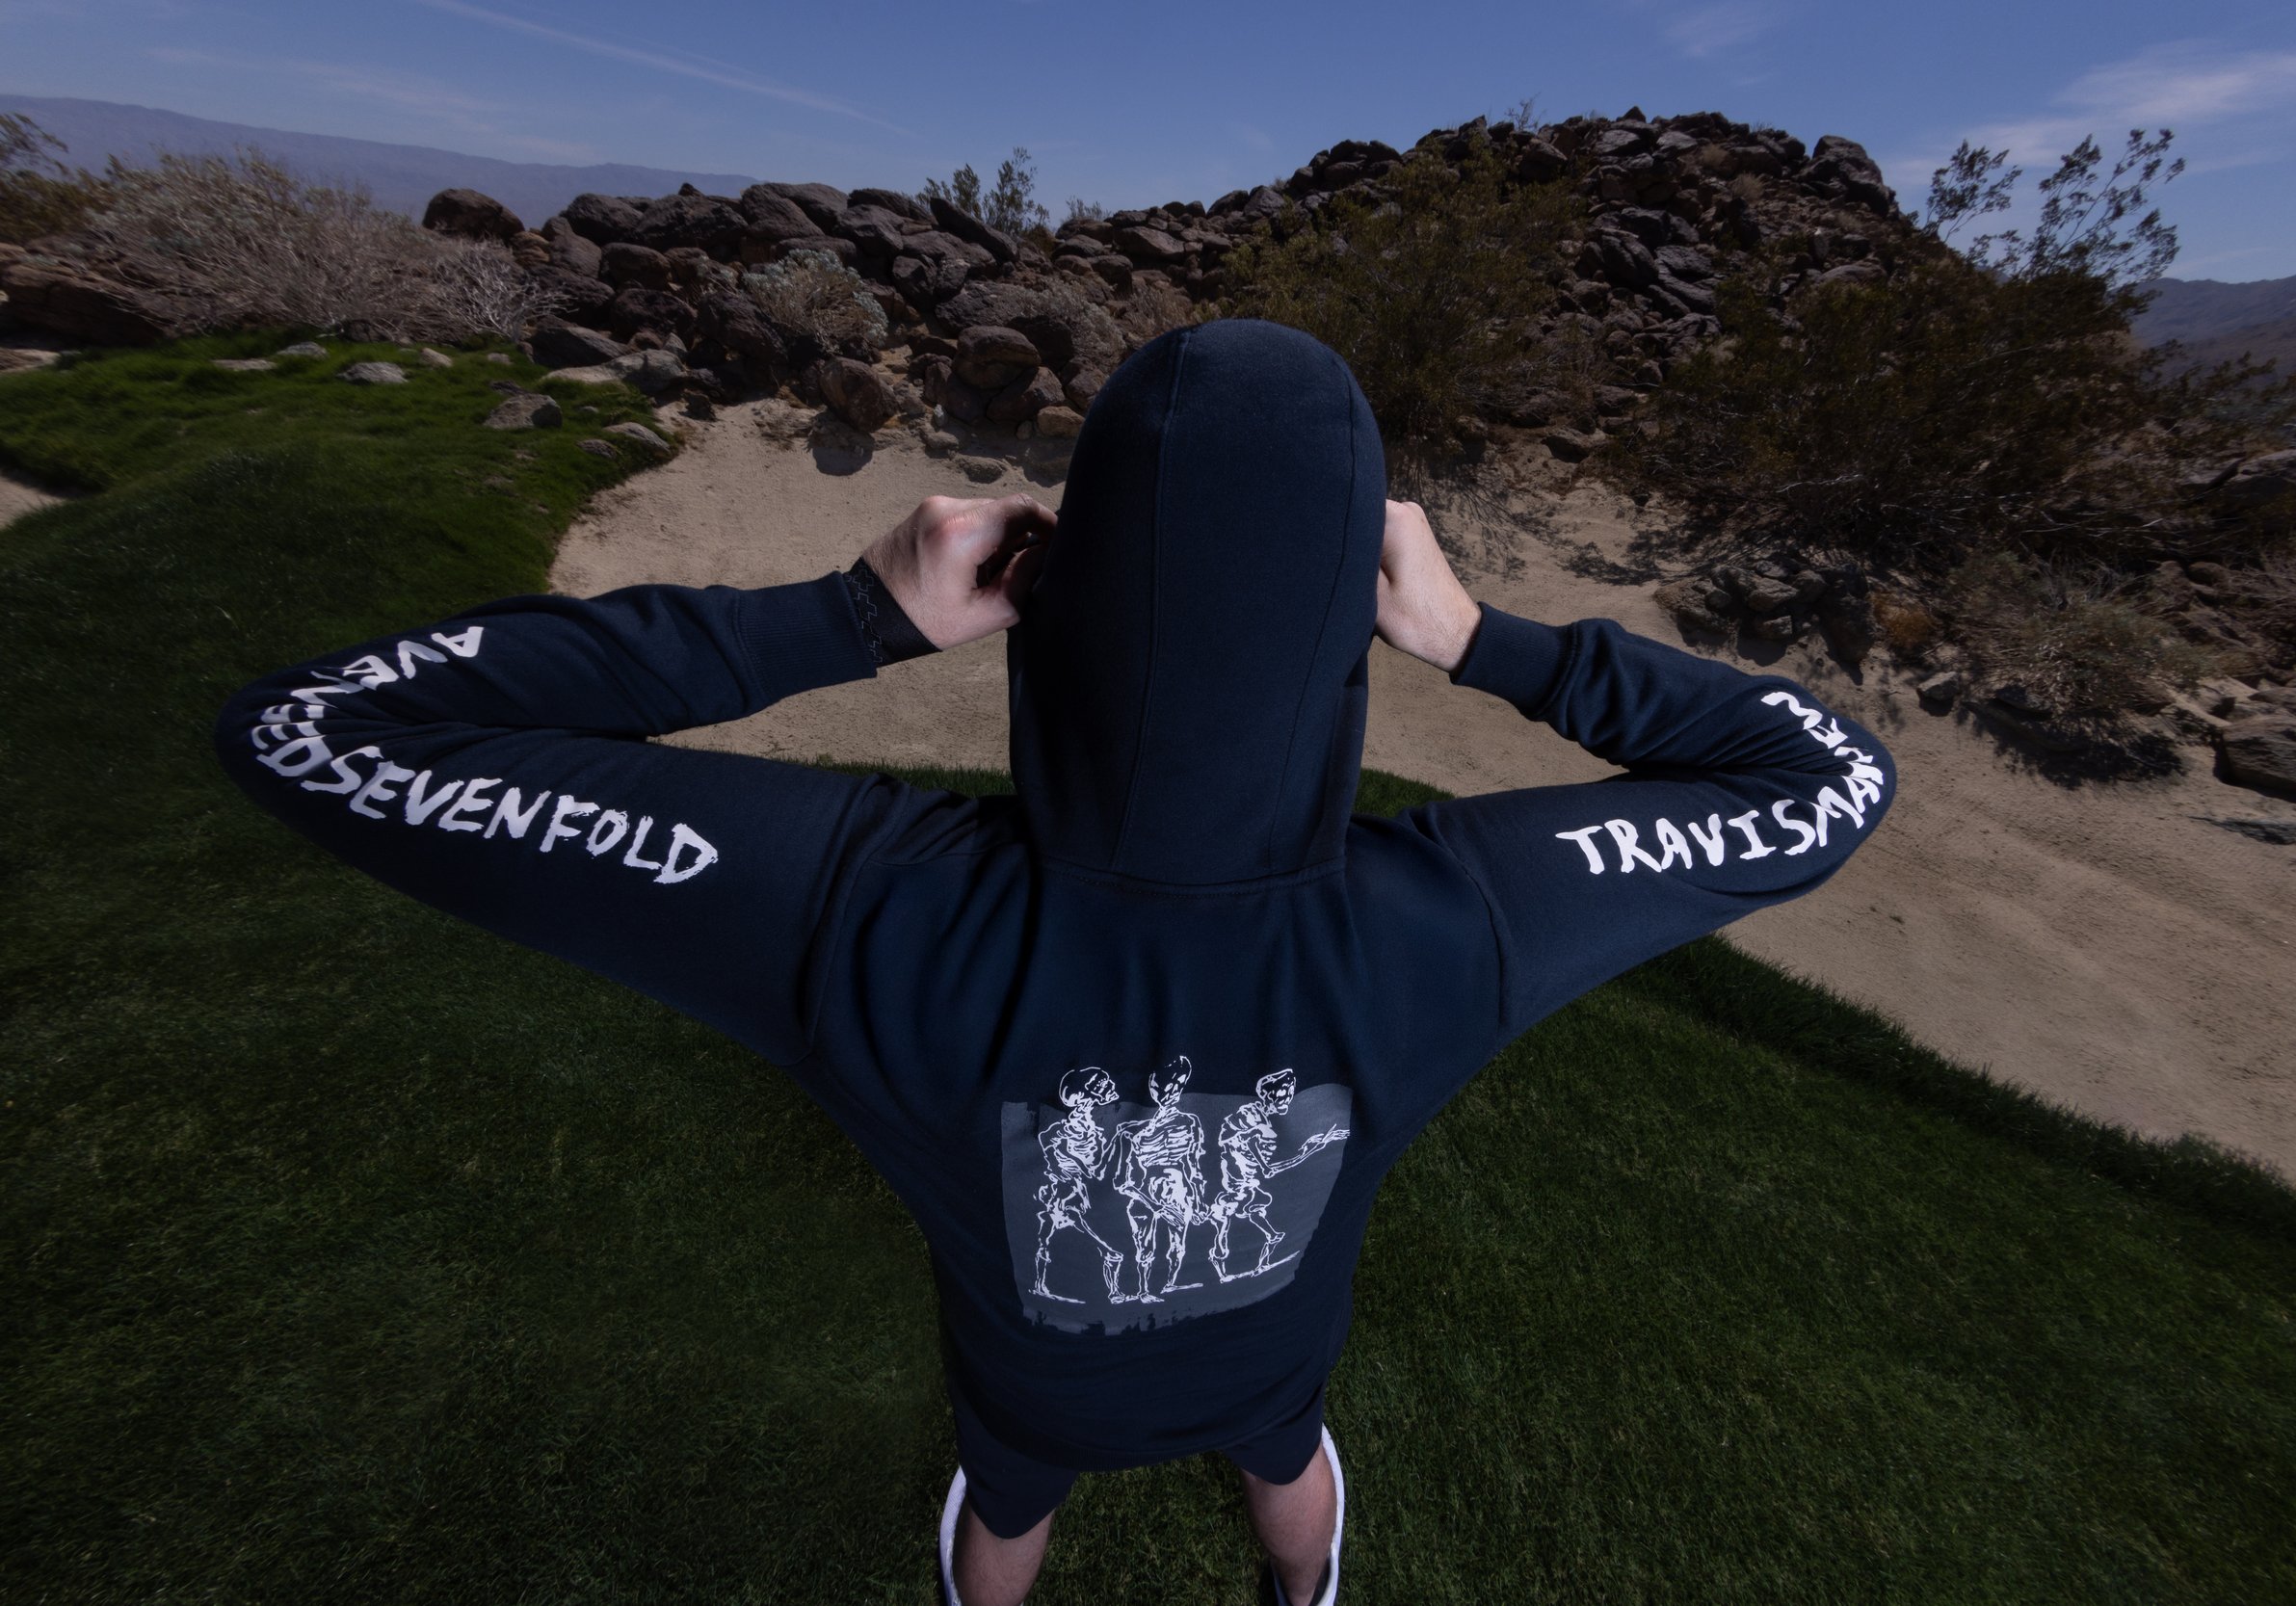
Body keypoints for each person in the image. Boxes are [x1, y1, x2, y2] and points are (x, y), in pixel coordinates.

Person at [214, 317, 1897, 1606]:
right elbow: (1826, 777)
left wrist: (852, 615)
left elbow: (316, 731)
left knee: (1005, 1511)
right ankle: (1301, 1592)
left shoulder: (861, 910)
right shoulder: (1461, 925)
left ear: (1055, 599)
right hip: (1270, 1370)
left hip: (1028, 1391)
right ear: (1349, 632)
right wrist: (1483, 639)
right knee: (1291, 1473)